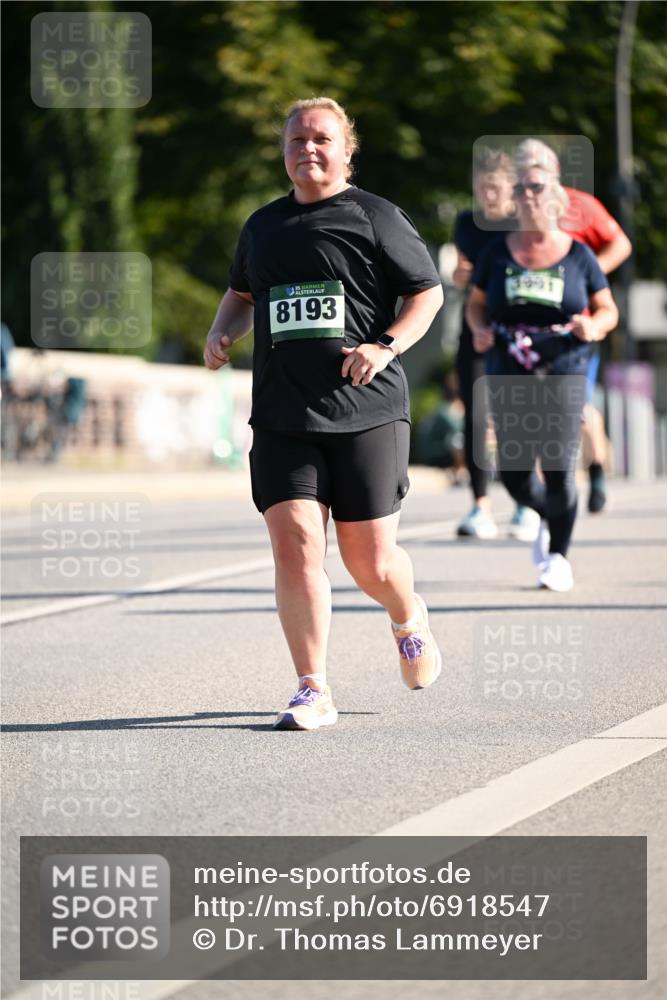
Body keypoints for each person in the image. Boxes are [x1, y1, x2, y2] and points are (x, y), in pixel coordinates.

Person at [203, 97, 444, 730]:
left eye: (320, 138)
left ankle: (406, 615)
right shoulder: (262, 226)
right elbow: (242, 292)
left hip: (366, 411)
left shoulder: (375, 217)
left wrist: (384, 345)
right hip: (284, 414)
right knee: (297, 544)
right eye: (295, 140)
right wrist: (221, 329)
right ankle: (313, 687)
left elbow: (427, 292)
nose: (307, 149)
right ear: (282, 151)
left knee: (370, 561)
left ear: (345, 149)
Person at [466, 144, 618, 592]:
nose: (528, 194)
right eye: (520, 187)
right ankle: (552, 516)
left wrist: (594, 325)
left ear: (556, 196)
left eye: (536, 186)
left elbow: (608, 310)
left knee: (557, 464)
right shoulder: (497, 252)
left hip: (564, 364)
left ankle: (558, 557)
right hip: (508, 365)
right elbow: (476, 306)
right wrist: (479, 329)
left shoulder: (579, 256)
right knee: (514, 476)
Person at [515, 139, 633, 513]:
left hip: (576, 324)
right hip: (526, 325)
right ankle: (533, 499)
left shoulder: (581, 205)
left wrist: (585, 275)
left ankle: (595, 470)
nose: (528, 178)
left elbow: (621, 245)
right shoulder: (512, 208)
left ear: (555, 175)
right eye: (522, 169)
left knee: (576, 405)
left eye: (537, 170)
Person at [452, 151, 539, 543]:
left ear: (511, 187)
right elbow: (461, 271)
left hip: (517, 330)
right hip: (475, 327)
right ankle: (480, 505)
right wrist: (460, 274)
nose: (487, 193)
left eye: (495, 186)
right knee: (475, 415)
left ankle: (525, 504)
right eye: (481, 186)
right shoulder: (465, 223)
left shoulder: (523, 223)